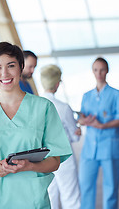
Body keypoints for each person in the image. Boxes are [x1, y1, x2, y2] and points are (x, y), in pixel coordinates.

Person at [0, 42, 72, 208]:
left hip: (32, 200)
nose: (4, 73)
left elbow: (55, 161)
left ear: (21, 67)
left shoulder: (43, 108)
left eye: (11, 66)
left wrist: (30, 166)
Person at [78, 57, 119, 209]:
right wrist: (83, 121)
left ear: (107, 71)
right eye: (95, 70)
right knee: (85, 186)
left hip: (110, 147)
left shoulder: (117, 94)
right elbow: (82, 118)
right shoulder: (86, 96)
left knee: (110, 187)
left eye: (102, 70)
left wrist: (102, 126)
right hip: (89, 149)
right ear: (92, 71)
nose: (99, 73)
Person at [40, 64, 81, 209]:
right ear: (57, 83)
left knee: (50, 197)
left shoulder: (34, 106)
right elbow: (74, 136)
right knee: (71, 197)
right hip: (64, 157)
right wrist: (78, 131)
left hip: (43, 156)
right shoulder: (63, 107)